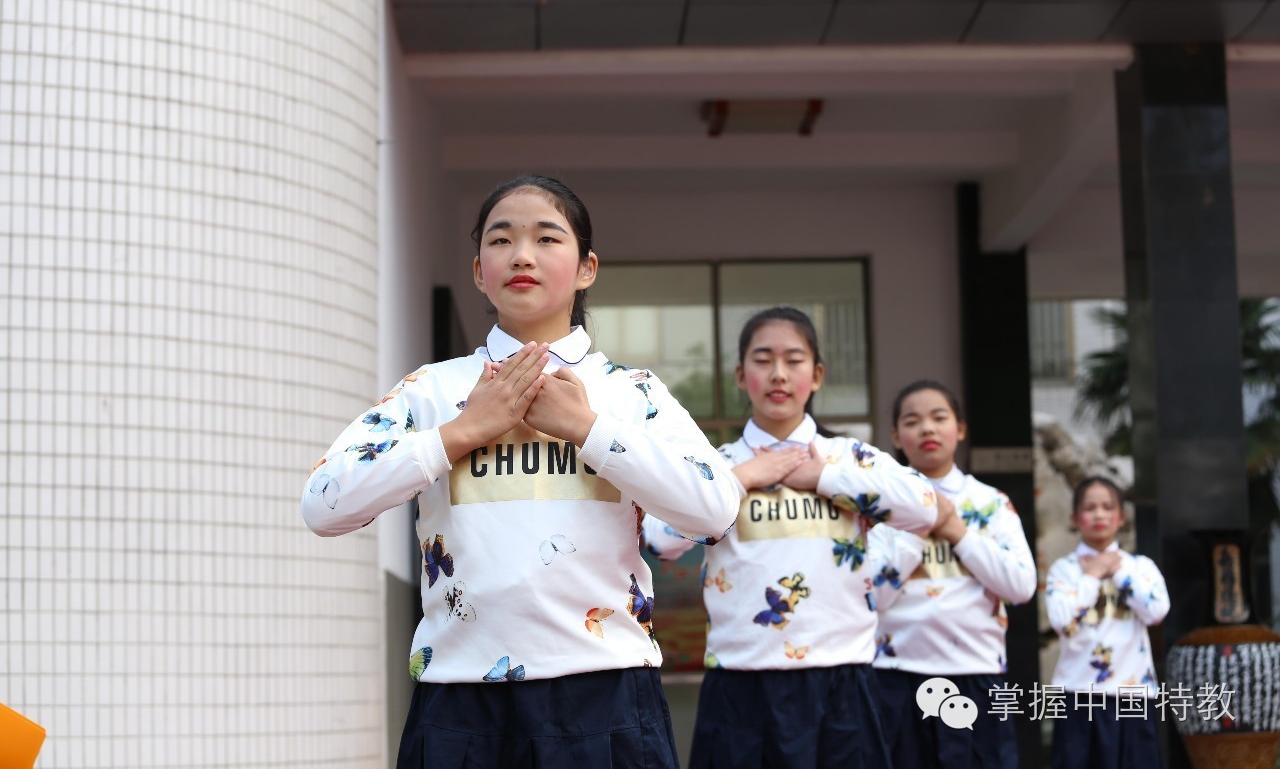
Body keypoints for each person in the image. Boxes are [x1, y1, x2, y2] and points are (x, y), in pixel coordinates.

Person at [301, 175, 743, 768]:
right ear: (480, 271)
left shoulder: (629, 393)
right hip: (459, 699)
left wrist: (590, 431)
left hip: (606, 692)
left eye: (547, 238)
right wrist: (462, 432)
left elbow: (715, 508)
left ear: (587, 268)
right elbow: (324, 504)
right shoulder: (434, 391)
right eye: (501, 240)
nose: (522, 255)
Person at [643, 306, 939, 768]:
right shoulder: (715, 464)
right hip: (741, 682)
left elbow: (925, 507)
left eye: (794, 360)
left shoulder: (849, 459)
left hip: (842, 683)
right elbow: (659, 539)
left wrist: (823, 477)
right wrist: (740, 479)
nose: (778, 374)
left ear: (817, 375)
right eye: (763, 360)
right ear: (741, 376)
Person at [867, 379, 1037, 769]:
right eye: (912, 421)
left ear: (959, 428)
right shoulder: (878, 507)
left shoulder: (991, 503)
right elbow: (871, 597)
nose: (927, 428)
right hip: (895, 677)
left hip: (975, 676)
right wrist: (922, 527)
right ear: (896, 435)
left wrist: (958, 532)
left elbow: (1021, 586)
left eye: (938, 417)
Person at [1045, 476, 1168, 769]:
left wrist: (1118, 573)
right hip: (1079, 696)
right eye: (1089, 508)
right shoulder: (1064, 570)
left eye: (1107, 507)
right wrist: (1092, 576)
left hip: (1134, 696)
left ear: (1121, 517)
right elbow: (1062, 621)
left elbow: (1157, 611)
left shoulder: (1140, 567)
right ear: (1075, 518)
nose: (1099, 514)